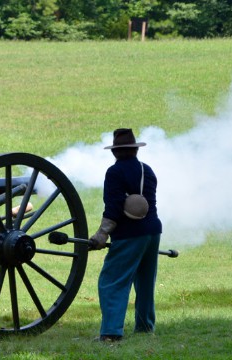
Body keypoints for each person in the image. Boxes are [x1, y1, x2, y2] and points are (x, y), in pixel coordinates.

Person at [91, 128, 162, 342]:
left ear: (115, 152)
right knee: (145, 282)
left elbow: (113, 208)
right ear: (134, 150)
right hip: (153, 230)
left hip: (129, 233)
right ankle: (144, 327)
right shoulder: (147, 170)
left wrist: (100, 236)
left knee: (112, 281)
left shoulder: (114, 172)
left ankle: (111, 332)